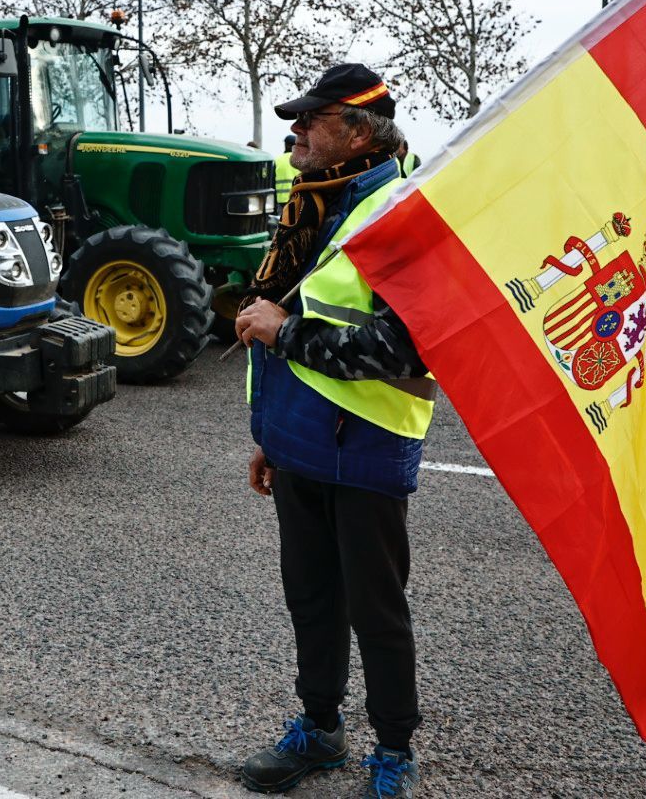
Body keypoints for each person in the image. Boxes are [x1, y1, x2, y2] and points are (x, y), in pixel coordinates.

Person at [234, 63, 433, 798]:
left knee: (376, 610)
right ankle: (319, 731)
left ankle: (394, 752)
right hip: (302, 441)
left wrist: (282, 333)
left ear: (357, 130)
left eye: (311, 121)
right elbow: (298, 308)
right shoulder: (317, 202)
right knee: (312, 599)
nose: (297, 133)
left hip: (369, 442)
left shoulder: (404, 211)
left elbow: (399, 348)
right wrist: (272, 437)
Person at [273, 134, 296, 209]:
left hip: (281, 200)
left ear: (287, 145)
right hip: (297, 197)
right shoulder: (300, 160)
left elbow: (272, 182)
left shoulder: (278, 160)